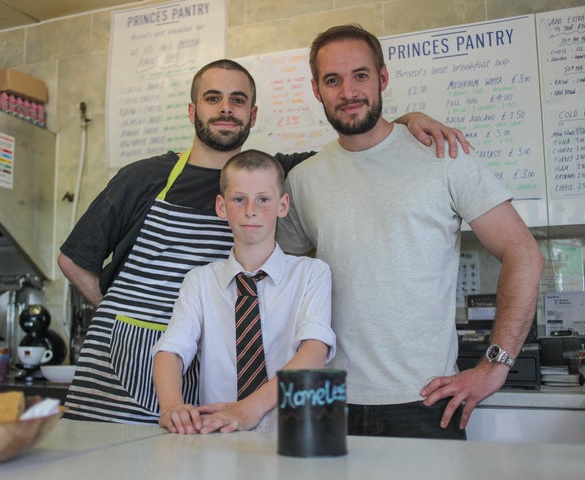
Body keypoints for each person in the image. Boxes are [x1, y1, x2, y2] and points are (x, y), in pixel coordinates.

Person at [58, 58, 471, 424]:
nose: (225, 108)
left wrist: (403, 122)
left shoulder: (270, 172)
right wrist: (127, 320)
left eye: (237, 100)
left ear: (252, 115)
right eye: (212, 98)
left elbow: (352, 143)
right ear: (192, 110)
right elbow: (74, 260)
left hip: (203, 375)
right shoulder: (143, 177)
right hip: (116, 369)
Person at [276, 24, 545, 439]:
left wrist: (495, 365)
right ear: (316, 90)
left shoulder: (442, 154)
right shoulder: (303, 180)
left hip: (425, 400)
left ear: (383, 78)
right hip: (324, 395)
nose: (348, 91)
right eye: (333, 80)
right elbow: (280, 279)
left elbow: (523, 252)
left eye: (360, 75)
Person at [152, 150, 334, 434]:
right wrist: (172, 406)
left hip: (292, 436)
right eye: (239, 199)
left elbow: (314, 351)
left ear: (283, 205)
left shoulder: (312, 274)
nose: (251, 210)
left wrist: (248, 409)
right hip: (218, 434)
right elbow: (171, 351)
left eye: (263, 199)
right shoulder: (200, 281)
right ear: (221, 207)